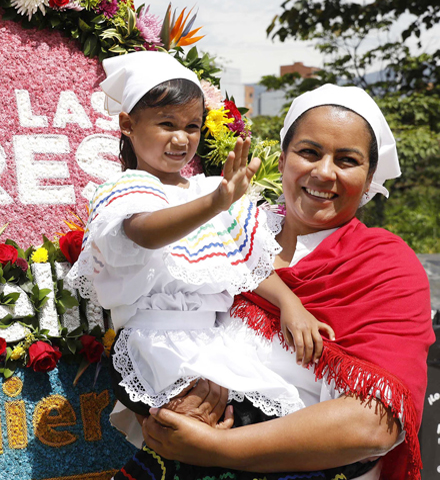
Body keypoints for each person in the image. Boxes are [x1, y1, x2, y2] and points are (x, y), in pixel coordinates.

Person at [114, 84, 435, 480]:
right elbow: (151, 315)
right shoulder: (227, 234)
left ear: (369, 179)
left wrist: (216, 448)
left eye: (347, 160)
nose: (323, 172)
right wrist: (173, 405)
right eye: (309, 152)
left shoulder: (383, 263)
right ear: (282, 160)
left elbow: (376, 422)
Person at [67, 51, 333, 444]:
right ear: (128, 124)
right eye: (167, 124)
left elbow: (247, 263)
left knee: (275, 418)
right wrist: (213, 206)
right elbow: (144, 232)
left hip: (217, 341)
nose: (181, 138)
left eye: (192, 126)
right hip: (156, 345)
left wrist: (291, 304)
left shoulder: (208, 189)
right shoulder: (123, 190)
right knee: (186, 436)